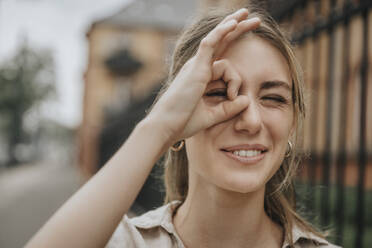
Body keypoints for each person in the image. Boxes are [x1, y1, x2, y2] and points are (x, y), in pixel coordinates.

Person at [26, 6, 340, 248]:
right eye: (219, 93)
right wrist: (158, 129)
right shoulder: (123, 241)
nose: (251, 121)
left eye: (273, 98)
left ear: (292, 123)